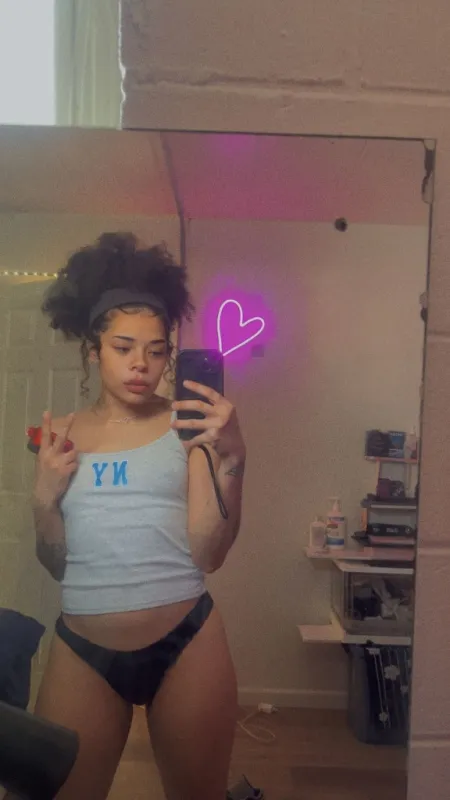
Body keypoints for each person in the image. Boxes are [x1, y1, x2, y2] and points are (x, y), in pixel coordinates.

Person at [25, 233, 246, 800]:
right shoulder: (59, 436)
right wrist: (44, 498)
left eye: (156, 350)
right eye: (124, 347)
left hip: (186, 641)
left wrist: (232, 460)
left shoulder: (187, 426)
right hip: (83, 649)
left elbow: (210, 554)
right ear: (93, 350)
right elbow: (55, 563)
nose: (141, 365)